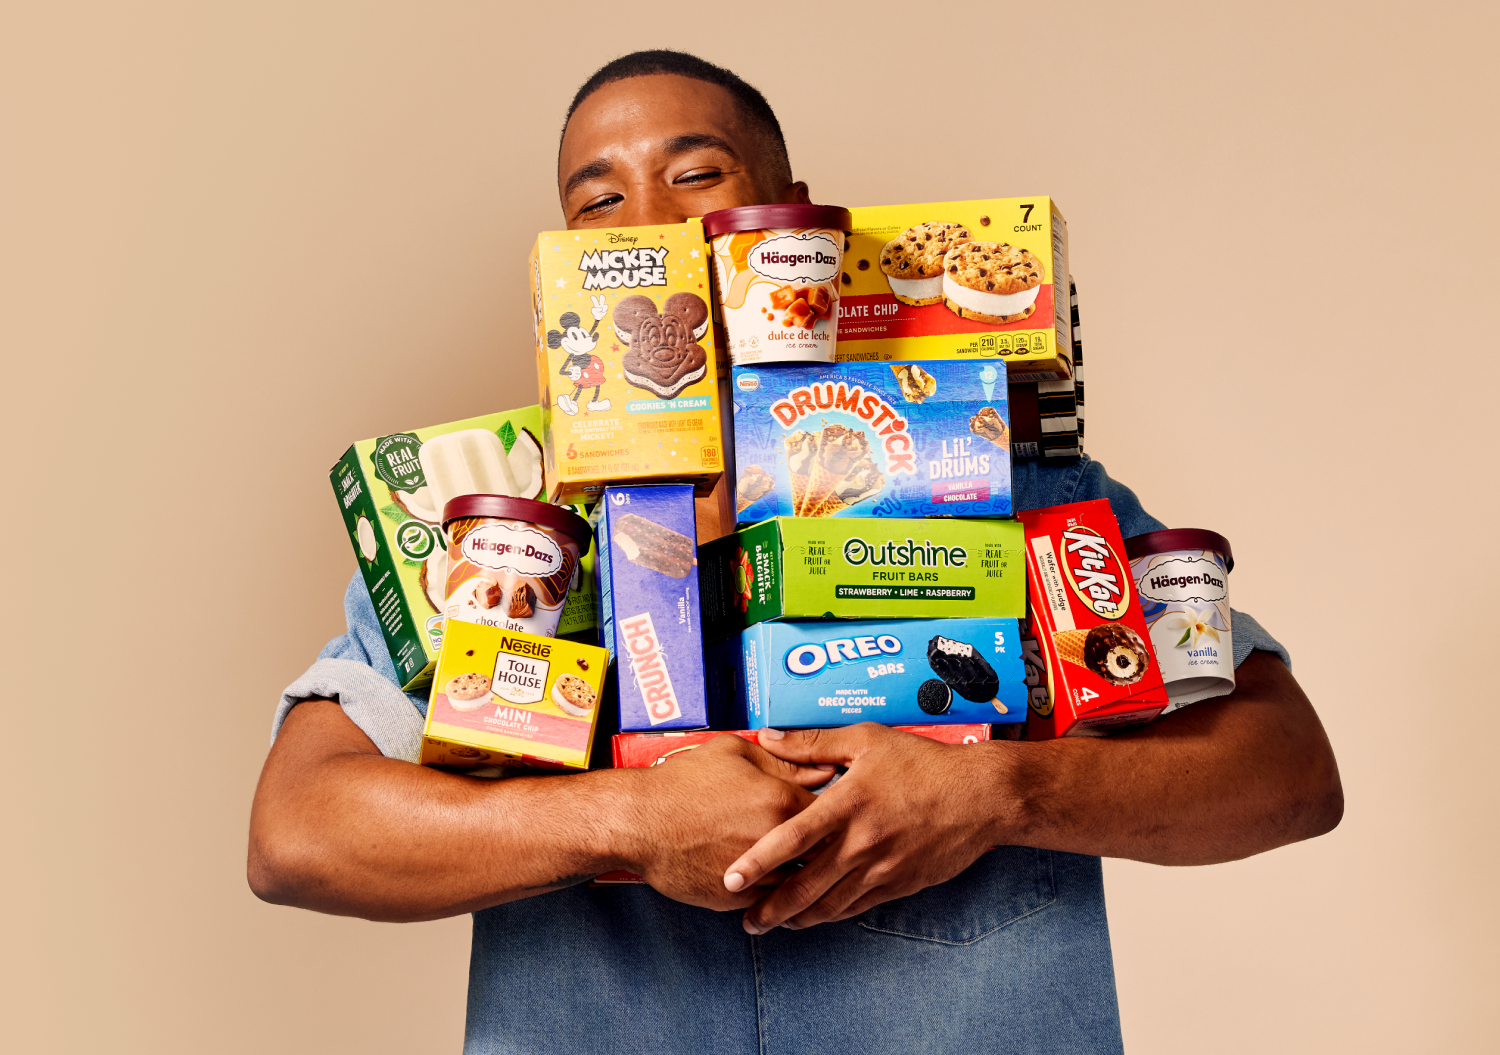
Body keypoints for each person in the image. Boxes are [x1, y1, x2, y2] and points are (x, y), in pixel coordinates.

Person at [249, 50, 1342, 1054]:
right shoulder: (499, 527)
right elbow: (299, 830)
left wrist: (1001, 791)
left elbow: (1288, 769)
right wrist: (625, 814)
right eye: (599, 199)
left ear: (788, 222)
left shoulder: (1005, 475)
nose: (650, 225)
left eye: (696, 176)